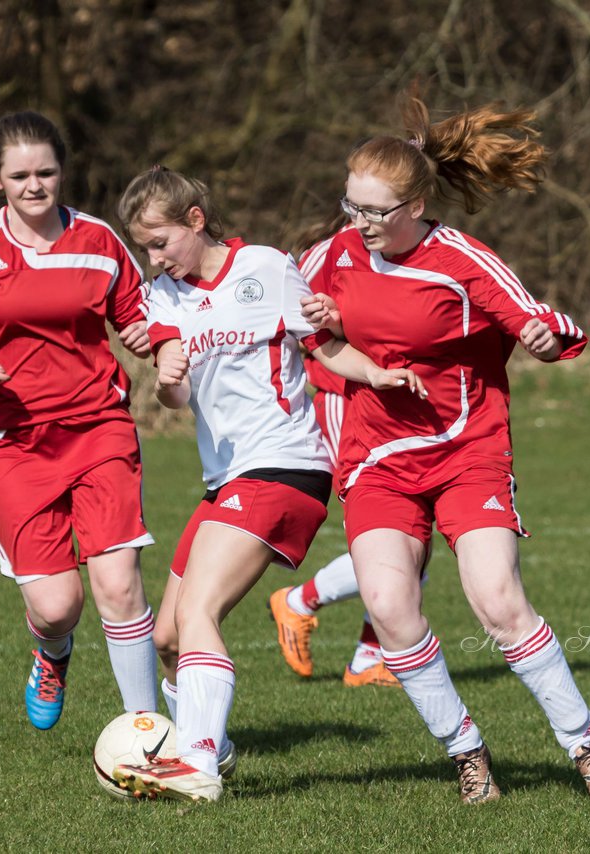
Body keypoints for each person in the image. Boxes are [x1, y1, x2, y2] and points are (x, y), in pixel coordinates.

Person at [300, 96, 590, 803]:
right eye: (349, 205)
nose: (358, 223)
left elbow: (542, 319)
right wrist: (324, 326)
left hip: (466, 452)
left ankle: (585, 743)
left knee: (498, 599)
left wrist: (547, 337)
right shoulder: (331, 255)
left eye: (374, 212)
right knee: (388, 604)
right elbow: (313, 343)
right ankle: (466, 750)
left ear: (415, 205)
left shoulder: (463, 260)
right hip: (379, 459)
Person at [109, 167, 424, 802]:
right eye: (144, 246)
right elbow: (176, 397)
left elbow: (324, 345)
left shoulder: (266, 267)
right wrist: (166, 375)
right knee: (168, 635)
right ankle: (213, 747)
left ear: (196, 220)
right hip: (225, 477)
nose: (154, 257)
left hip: (285, 464)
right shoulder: (163, 296)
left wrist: (378, 374)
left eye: (161, 241)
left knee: (200, 612)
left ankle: (194, 762)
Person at [0, 111, 159, 732]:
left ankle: (148, 735)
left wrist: (146, 338)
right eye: (21, 175)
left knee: (118, 583)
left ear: (63, 172)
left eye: (47, 172)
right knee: (59, 606)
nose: (35, 186)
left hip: (96, 427)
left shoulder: (99, 240)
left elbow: (139, 316)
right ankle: (52, 652)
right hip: (8, 438)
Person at [268, 216, 407, 689]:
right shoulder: (330, 251)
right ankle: (301, 602)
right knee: (389, 532)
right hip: (346, 399)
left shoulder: (416, 243)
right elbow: (298, 326)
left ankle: (370, 655)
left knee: (413, 537)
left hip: (399, 401)